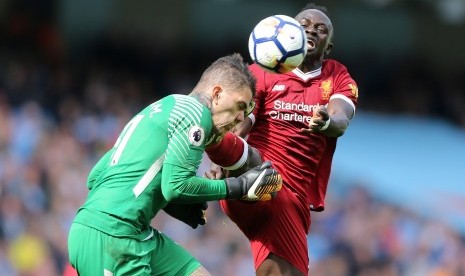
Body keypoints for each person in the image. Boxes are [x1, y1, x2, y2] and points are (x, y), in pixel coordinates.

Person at [67, 53, 283, 276]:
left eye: (246, 111)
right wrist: (239, 187)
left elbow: (95, 176)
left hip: (130, 232)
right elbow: (177, 186)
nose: (240, 118)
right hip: (113, 236)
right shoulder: (195, 113)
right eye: (239, 106)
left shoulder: (162, 107)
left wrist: (175, 204)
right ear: (217, 94)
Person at [206, 3, 359, 275]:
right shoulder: (262, 72)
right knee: (258, 167)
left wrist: (327, 121)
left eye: (321, 29)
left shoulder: (336, 75)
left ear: (329, 47)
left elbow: (341, 118)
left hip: (293, 198)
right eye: (305, 25)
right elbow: (243, 122)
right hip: (258, 177)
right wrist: (224, 156)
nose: (312, 30)